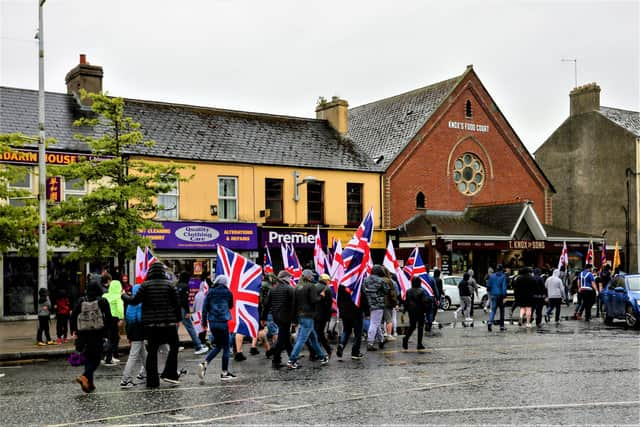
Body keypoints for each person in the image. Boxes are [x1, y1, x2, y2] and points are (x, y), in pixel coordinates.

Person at [122, 262, 182, 388]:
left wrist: (124, 296)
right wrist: (178, 319)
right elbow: (177, 304)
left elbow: (134, 301)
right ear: (163, 272)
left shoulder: (145, 285)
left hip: (150, 325)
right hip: (168, 323)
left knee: (152, 352)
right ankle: (169, 373)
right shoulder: (170, 285)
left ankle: (152, 381)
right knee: (174, 347)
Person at [71, 278, 112, 393]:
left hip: (83, 334)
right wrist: (107, 332)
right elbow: (108, 317)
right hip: (97, 333)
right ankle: (85, 376)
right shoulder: (102, 301)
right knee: (96, 359)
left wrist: (73, 331)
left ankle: (90, 383)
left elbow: (73, 316)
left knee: (88, 357)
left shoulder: (81, 301)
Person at [287, 269, 328, 369]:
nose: (313, 277)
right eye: (312, 276)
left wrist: (294, 320)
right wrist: (321, 296)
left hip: (300, 316)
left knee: (313, 338)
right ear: (309, 277)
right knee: (301, 339)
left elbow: (293, 304)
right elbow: (314, 300)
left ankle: (322, 357)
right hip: (308, 316)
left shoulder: (296, 287)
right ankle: (292, 360)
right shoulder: (311, 286)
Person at [198, 275, 236, 381]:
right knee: (227, 347)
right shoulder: (228, 292)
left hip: (213, 323)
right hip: (223, 322)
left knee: (219, 346)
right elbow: (231, 306)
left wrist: (204, 323)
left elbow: (205, 308)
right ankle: (224, 372)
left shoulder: (210, 291)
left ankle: (205, 363)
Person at [261, 270, 295, 369]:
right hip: (286, 317)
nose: (290, 279)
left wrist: (263, 318)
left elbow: (266, 305)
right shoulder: (290, 289)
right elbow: (293, 305)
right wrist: (295, 319)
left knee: (286, 338)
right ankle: (275, 357)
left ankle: (292, 358)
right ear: (286, 278)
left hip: (276, 317)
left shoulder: (273, 289)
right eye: (289, 277)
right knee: (281, 339)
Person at [119, 283, 147, 388]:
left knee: (143, 353)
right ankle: (125, 379)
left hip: (132, 332)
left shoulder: (130, 305)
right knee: (133, 356)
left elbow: (128, 321)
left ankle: (147, 373)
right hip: (139, 332)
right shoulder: (140, 304)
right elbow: (141, 320)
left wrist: (129, 336)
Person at [176, 271, 208, 355]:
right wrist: (187, 311)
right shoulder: (185, 286)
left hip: (175, 309)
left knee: (175, 327)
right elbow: (185, 300)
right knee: (190, 327)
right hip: (182, 309)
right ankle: (198, 346)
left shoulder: (177, 285)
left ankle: (174, 346)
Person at [364, 265, 390, 351]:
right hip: (378, 304)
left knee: (376, 322)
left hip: (368, 303)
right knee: (374, 323)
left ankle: (381, 340)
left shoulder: (366, 280)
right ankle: (370, 343)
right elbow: (387, 290)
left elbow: (363, 290)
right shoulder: (381, 280)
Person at [403, 277, 429, 350]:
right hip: (420, 311)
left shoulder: (408, 291)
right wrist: (426, 310)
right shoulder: (422, 291)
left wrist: (404, 310)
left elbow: (406, 302)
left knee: (412, 326)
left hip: (411, 311)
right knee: (420, 327)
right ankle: (419, 343)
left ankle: (406, 338)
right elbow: (424, 302)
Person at [103, 277, 124, 365]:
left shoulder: (105, 296)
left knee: (107, 337)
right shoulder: (118, 297)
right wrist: (121, 318)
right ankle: (109, 358)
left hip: (105, 318)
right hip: (114, 318)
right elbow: (120, 309)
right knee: (113, 338)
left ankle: (106, 356)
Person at [314, 274, 334, 358]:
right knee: (320, 333)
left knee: (315, 333)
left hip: (313, 314)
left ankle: (315, 352)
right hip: (322, 315)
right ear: (326, 280)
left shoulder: (313, 287)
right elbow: (329, 303)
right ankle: (327, 349)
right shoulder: (327, 289)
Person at [487, 265, 508, 331]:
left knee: (493, 310)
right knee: (502, 311)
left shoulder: (491, 276)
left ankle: (490, 322)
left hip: (493, 295)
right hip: (500, 295)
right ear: (502, 269)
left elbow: (489, 286)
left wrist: (490, 293)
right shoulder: (503, 276)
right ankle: (501, 326)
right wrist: (505, 296)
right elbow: (504, 287)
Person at [193, 272, 211, 349]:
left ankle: (201, 342)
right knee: (204, 328)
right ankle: (202, 342)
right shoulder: (206, 295)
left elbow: (194, 305)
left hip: (197, 313)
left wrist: (194, 312)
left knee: (199, 329)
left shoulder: (197, 294)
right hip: (204, 313)